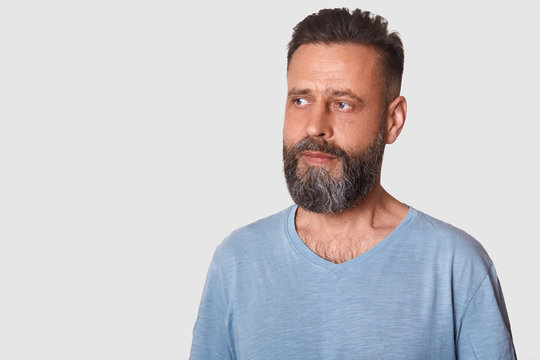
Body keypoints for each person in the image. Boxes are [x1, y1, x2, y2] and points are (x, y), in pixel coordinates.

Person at [190, 8, 516, 359]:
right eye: (301, 100)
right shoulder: (237, 262)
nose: (315, 126)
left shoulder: (456, 266)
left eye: (342, 104)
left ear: (393, 120)